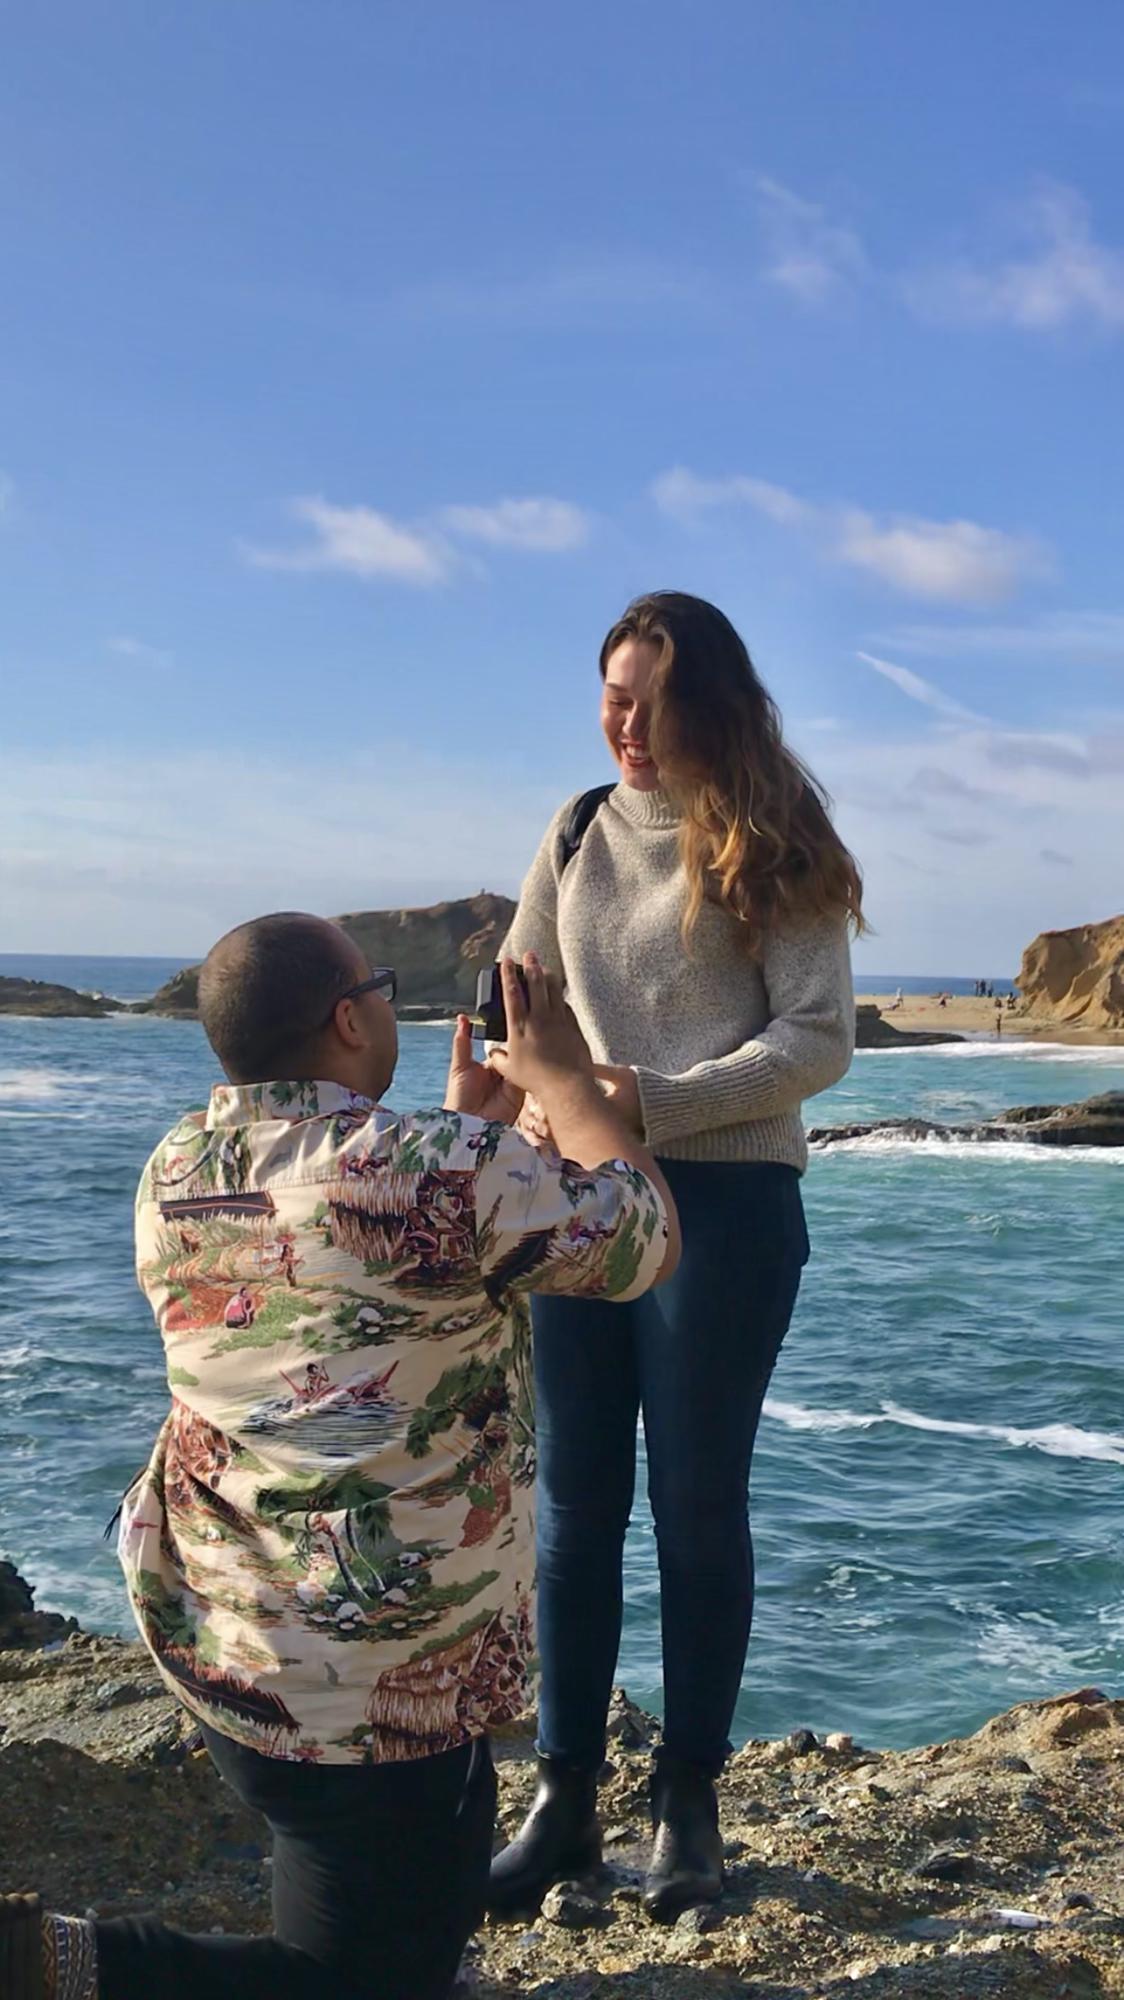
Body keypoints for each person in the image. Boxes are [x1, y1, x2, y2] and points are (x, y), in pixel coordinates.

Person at [1, 913, 680, 2000]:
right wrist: (562, 1081)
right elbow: (642, 1235)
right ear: (351, 1018)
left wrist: (465, 1129)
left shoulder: (177, 1162)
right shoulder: (446, 1171)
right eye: (381, 986)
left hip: (217, 1620)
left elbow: (349, 1240)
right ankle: (52, 1963)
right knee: (361, 1976)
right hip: (372, 1677)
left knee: (383, 1893)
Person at [487, 592, 862, 1924]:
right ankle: (562, 1802)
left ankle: (687, 1807)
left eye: (649, 698)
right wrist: (514, 1112)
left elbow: (817, 1039)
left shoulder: (778, 836)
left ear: (711, 700)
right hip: (578, 1200)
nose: (625, 723)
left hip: (727, 1204)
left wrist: (648, 1100)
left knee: (697, 1504)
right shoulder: (575, 827)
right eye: (611, 696)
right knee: (574, 1505)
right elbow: (516, 1000)